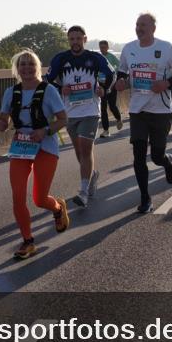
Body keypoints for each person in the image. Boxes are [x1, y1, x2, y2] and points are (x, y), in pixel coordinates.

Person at [0, 50, 70, 260]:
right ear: (17, 69)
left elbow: (62, 119)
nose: (27, 68)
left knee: (39, 199)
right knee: (18, 197)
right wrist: (2, 124)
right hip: (21, 148)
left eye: (31, 64)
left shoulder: (48, 91)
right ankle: (28, 241)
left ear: (37, 67)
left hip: (45, 147)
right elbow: (4, 119)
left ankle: (57, 207)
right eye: (22, 65)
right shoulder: (11, 92)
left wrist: (45, 131)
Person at [114, 12, 172, 213]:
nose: (139, 28)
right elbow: (122, 72)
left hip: (161, 109)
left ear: (153, 28)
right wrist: (120, 82)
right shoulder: (129, 49)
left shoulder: (165, 48)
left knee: (156, 156)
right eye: (137, 24)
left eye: (143, 25)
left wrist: (166, 83)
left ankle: (166, 162)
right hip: (138, 109)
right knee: (138, 155)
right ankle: (145, 198)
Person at [45, 26, 113, 207]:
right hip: (70, 112)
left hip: (90, 110)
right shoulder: (61, 58)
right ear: (68, 40)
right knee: (79, 152)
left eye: (78, 38)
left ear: (85, 39)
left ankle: (83, 192)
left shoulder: (95, 58)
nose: (75, 42)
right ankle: (92, 175)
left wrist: (103, 88)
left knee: (85, 147)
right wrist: (61, 89)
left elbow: (110, 74)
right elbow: (48, 79)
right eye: (71, 39)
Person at [98, 40, 124, 137]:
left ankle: (118, 118)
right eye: (101, 47)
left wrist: (115, 74)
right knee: (103, 108)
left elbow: (120, 65)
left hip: (112, 84)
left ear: (107, 48)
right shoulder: (98, 58)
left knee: (112, 106)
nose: (102, 49)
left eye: (104, 47)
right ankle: (106, 130)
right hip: (101, 85)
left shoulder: (111, 57)